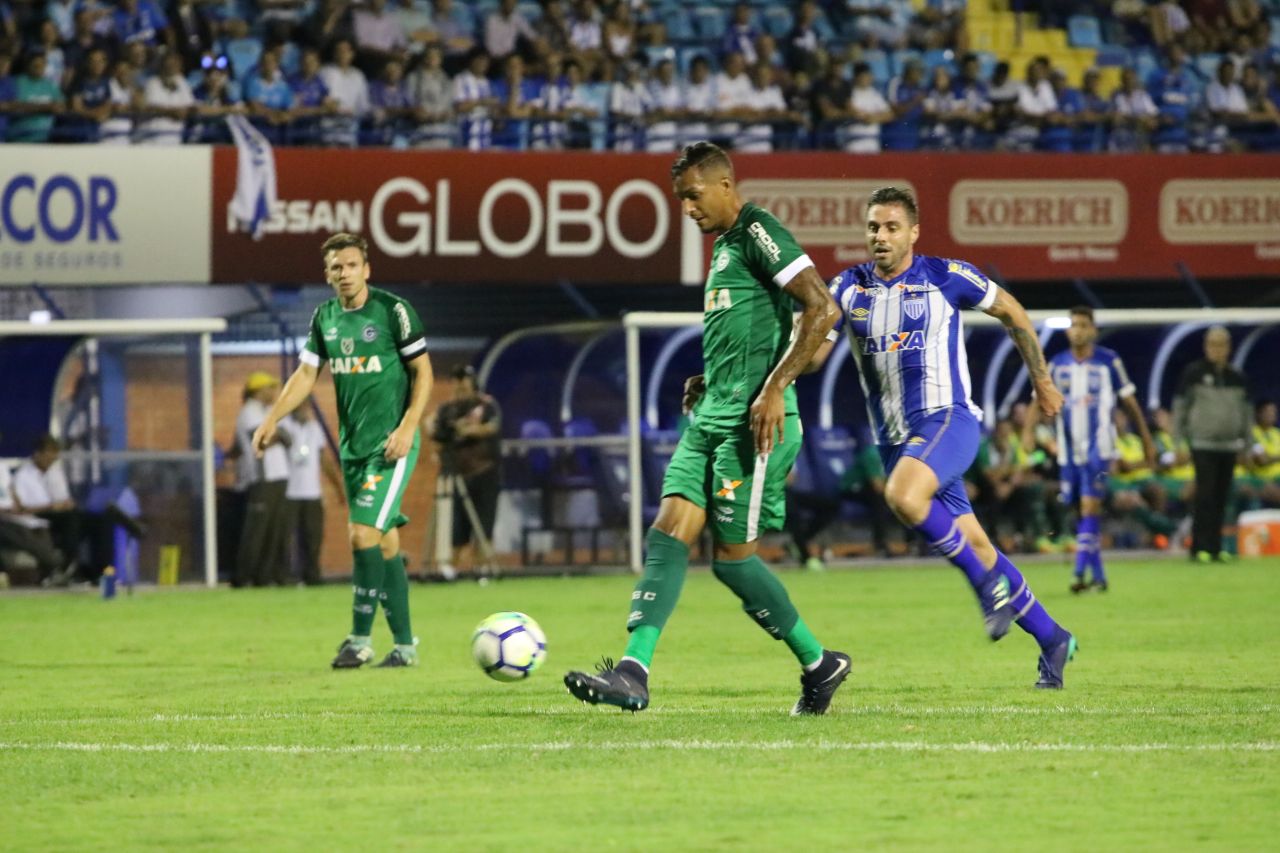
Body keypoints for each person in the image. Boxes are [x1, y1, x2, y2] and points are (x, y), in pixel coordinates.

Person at [564, 142, 850, 716]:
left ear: (725, 185)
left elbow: (823, 309)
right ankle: (633, 672)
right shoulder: (723, 249)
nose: (688, 208)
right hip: (713, 415)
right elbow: (752, 333)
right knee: (667, 532)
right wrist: (711, 376)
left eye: (694, 195)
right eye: (680, 199)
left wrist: (772, 388)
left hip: (755, 427)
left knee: (732, 562)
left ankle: (820, 664)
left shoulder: (757, 230)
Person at [809, 186, 1077, 689]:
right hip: (896, 441)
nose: (880, 236)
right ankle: (1053, 638)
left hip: (947, 420)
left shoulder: (946, 276)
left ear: (914, 232)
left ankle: (987, 591)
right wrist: (766, 382)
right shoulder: (847, 287)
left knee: (903, 497)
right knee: (975, 542)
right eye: (873, 227)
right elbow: (815, 354)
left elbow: (1013, 312)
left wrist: (1041, 379)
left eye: (891, 227)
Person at [251, 232, 433, 669]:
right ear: (327, 275)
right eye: (337, 267)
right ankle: (405, 647)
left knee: (360, 534)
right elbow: (305, 374)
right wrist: (272, 417)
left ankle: (359, 640)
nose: (345, 273)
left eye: (352, 265)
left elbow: (424, 374)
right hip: (354, 450)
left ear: (366, 269)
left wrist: (408, 427)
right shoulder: (325, 318)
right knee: (386, 542)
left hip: (393, 447)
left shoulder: (394, 312)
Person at [1023, 305, 1154, 593]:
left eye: (1083, 325)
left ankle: (1079, 574)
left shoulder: (1109, 361)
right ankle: (1099, 576)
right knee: (1082, 513)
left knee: (1088, 507)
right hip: (1069, 452)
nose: (1078, 330)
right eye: (1074, 325)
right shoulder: (1057, 363)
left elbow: (1129, 402)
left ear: (1093, 330)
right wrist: (1028, 432)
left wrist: (1145, 439)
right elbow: (1037, 398)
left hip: (1100, 448)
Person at [1173, 326, 1252, 563]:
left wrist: (1246, 446)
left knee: (1221, 497)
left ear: (1228, 348)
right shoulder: (1193, 373)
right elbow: (1180, 409)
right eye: (1213, 344)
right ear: (1206, 346)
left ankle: (1216, 547)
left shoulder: (1237, 377)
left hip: (1229, 445)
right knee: (1205, 495)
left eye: (1222, 344)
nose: (1217, 349)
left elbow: (1247, 415)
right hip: (1201, 443)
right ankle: (1199, 546)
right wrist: (1178, 443)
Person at [427, 365, 501, 581]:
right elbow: (435, 431)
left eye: (464, 381)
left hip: (485, 473)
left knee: (484, 525)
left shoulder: (486, 405)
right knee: (457, 529)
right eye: (456, 381)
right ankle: (451, 572)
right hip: (458, 475)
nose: (460, 386)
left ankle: (483, 570)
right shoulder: (447, 409)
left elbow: (490, 428)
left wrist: (465, 429)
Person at [234, 371, 291, 586]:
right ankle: (244, 577)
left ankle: (264, 577)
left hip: (277, 477)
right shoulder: (249, 411)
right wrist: (280, 436)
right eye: (270, 387)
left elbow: (281, 435)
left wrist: (281, 435)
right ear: (258, 390)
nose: (274, 391)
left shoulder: (265, 411)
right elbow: (261, 440)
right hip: (262, 478)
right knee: (257, 531)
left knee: (274, 531)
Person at [280, 399, 343, 585]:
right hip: (289, 492)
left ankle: (312, 575)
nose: (305, 410)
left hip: (312, 492)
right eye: (301, 406)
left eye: (307, 406)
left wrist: (338, 488)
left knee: (313, 537)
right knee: (286, 537)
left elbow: (324, 460)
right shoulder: (283, 426)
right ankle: (286, 575)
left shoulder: (314, 428)